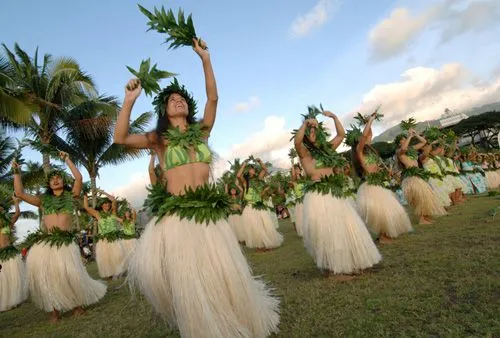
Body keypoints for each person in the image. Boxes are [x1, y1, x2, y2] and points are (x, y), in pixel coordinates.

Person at [113, 38, 279, 337]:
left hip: (209, 216)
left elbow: (213, 99)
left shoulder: (201, 132)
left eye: (183, 98)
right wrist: (129, 101)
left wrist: (205, 59)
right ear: (164, 109)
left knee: (223, 274)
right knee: (195, 281)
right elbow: (121, 138)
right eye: (172, 99)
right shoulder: (158, 139)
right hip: (179, 219)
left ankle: (235, 321)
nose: (179, 100)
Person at [13, 152, 106, 322]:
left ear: (63, 180)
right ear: (48, 183)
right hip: (47, 243)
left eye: (59, 177)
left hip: (65, 242)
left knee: (70, 274)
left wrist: (67, 159)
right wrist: (16, 172)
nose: (56, 180)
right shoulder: (42, 200)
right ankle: (54, 310)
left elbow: (78, 178)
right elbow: (19, 193)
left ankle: (78, 305)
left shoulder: (72, 196)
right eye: (52, 179)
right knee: (49, 277)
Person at [294, 108, 381, 279]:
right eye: (309, 131)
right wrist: (305, 124)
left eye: (315, 130)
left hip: (335, 193)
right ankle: (332, 270)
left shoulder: (328, 149)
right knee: (327, 232)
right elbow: (297, 142)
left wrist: (334, 117)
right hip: (318, 197)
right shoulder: (304, 153)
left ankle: (351, 262)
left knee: (345, 228)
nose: (312, 132)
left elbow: (340, 135)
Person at [354, 114, 412, 243]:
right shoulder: (359, 151)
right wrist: (370, 120)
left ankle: (385, 234)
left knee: (388, 208)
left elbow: (367, 135)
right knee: (379, 211)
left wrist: (387, 172)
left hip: (377, 182)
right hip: (369, 186)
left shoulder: (371, 152)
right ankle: (382, 236)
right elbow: (364, 136)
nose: (369, 137)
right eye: (366, 137)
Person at [394, 130, 446, 224]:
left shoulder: (412, 149)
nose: (405, 140)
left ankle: (426, 217)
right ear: (399, 143)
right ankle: (422, 219)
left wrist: (416, 134)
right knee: (419, 197)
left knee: (426, 196)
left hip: (417, 175)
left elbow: (424, 142)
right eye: (403, 139)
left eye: (405, 138)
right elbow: (404, 149)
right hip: (411, 178)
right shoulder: (399, 152)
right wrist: (409, 136)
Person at [237, 158, 283, 250]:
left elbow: (265, 170)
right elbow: (238, 175)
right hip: (250, 206)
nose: (252, 170)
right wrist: (244, 164)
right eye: (250, 169)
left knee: (264, 225)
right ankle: (259, 246)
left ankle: (266, 243)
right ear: (247, 171)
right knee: (254, 227)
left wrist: (260, 162)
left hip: (259, 205)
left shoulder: (259, 179)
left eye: (253, 169)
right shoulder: (246, 182)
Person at [83, 190, 126, 280]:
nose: (107, 205)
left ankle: (117, 272)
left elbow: (114, 201)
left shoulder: (113, 213)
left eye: (108, 203)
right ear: (101, 205)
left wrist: (104, 193)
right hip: (104, 240)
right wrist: (85, 196)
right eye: (104, 203)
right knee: (106, 258)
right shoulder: (98, 215)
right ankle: (109, 274)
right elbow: (86, 207)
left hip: (113, 238)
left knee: (117, 256)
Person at [0, 196, 28, 312]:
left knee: (13, 277)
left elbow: (17, 214)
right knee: (3, 278)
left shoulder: (8, 223)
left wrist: (16, 202)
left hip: (9, 251)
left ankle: (14, 299)